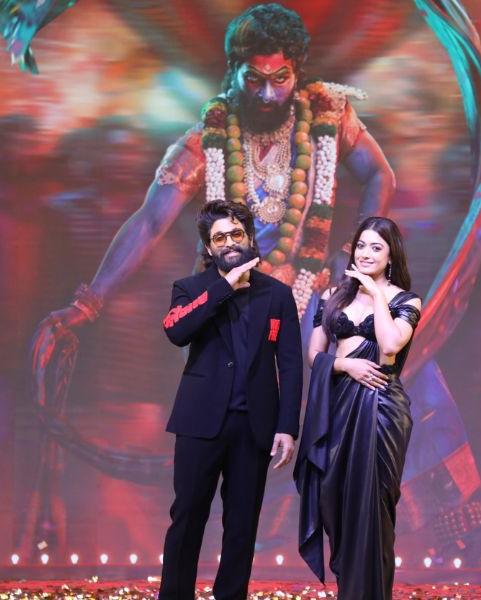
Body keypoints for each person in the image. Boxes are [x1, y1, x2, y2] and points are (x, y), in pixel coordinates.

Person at [36, 2, 394, 335]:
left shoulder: (326, 117)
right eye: (253, 79)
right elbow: (150, 221)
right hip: (229, 311)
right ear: (234, 71)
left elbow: (380, 175)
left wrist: (353, 250)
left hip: (308, 302)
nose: (267, 94)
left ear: (296, 74)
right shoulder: (207, 140)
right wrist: (89, 302)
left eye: (280, 79)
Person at [158, 200, 302, 600]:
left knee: (241, 525)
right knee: (187, 516)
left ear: (250, 237)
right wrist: (224, 287)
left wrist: (287, 427)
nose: (229, 242)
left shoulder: (277, 295)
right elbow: (175, 331)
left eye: (236, 234)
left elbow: (291, 365)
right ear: (208, 247)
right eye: (219, 237)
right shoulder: (190, 289)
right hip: (200, 423)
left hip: (253, 426)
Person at [295, 216, 422, 600]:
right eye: (361, 245)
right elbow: (313, 355)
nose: (365, 253)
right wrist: (345, 366)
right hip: (337, 406)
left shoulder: (405, 300)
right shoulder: (333, 295)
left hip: (380, 411)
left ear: (391, 256)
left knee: (373, 510)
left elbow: (389, 347)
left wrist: (377, 295)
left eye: (376, 248)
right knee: (335, 503)